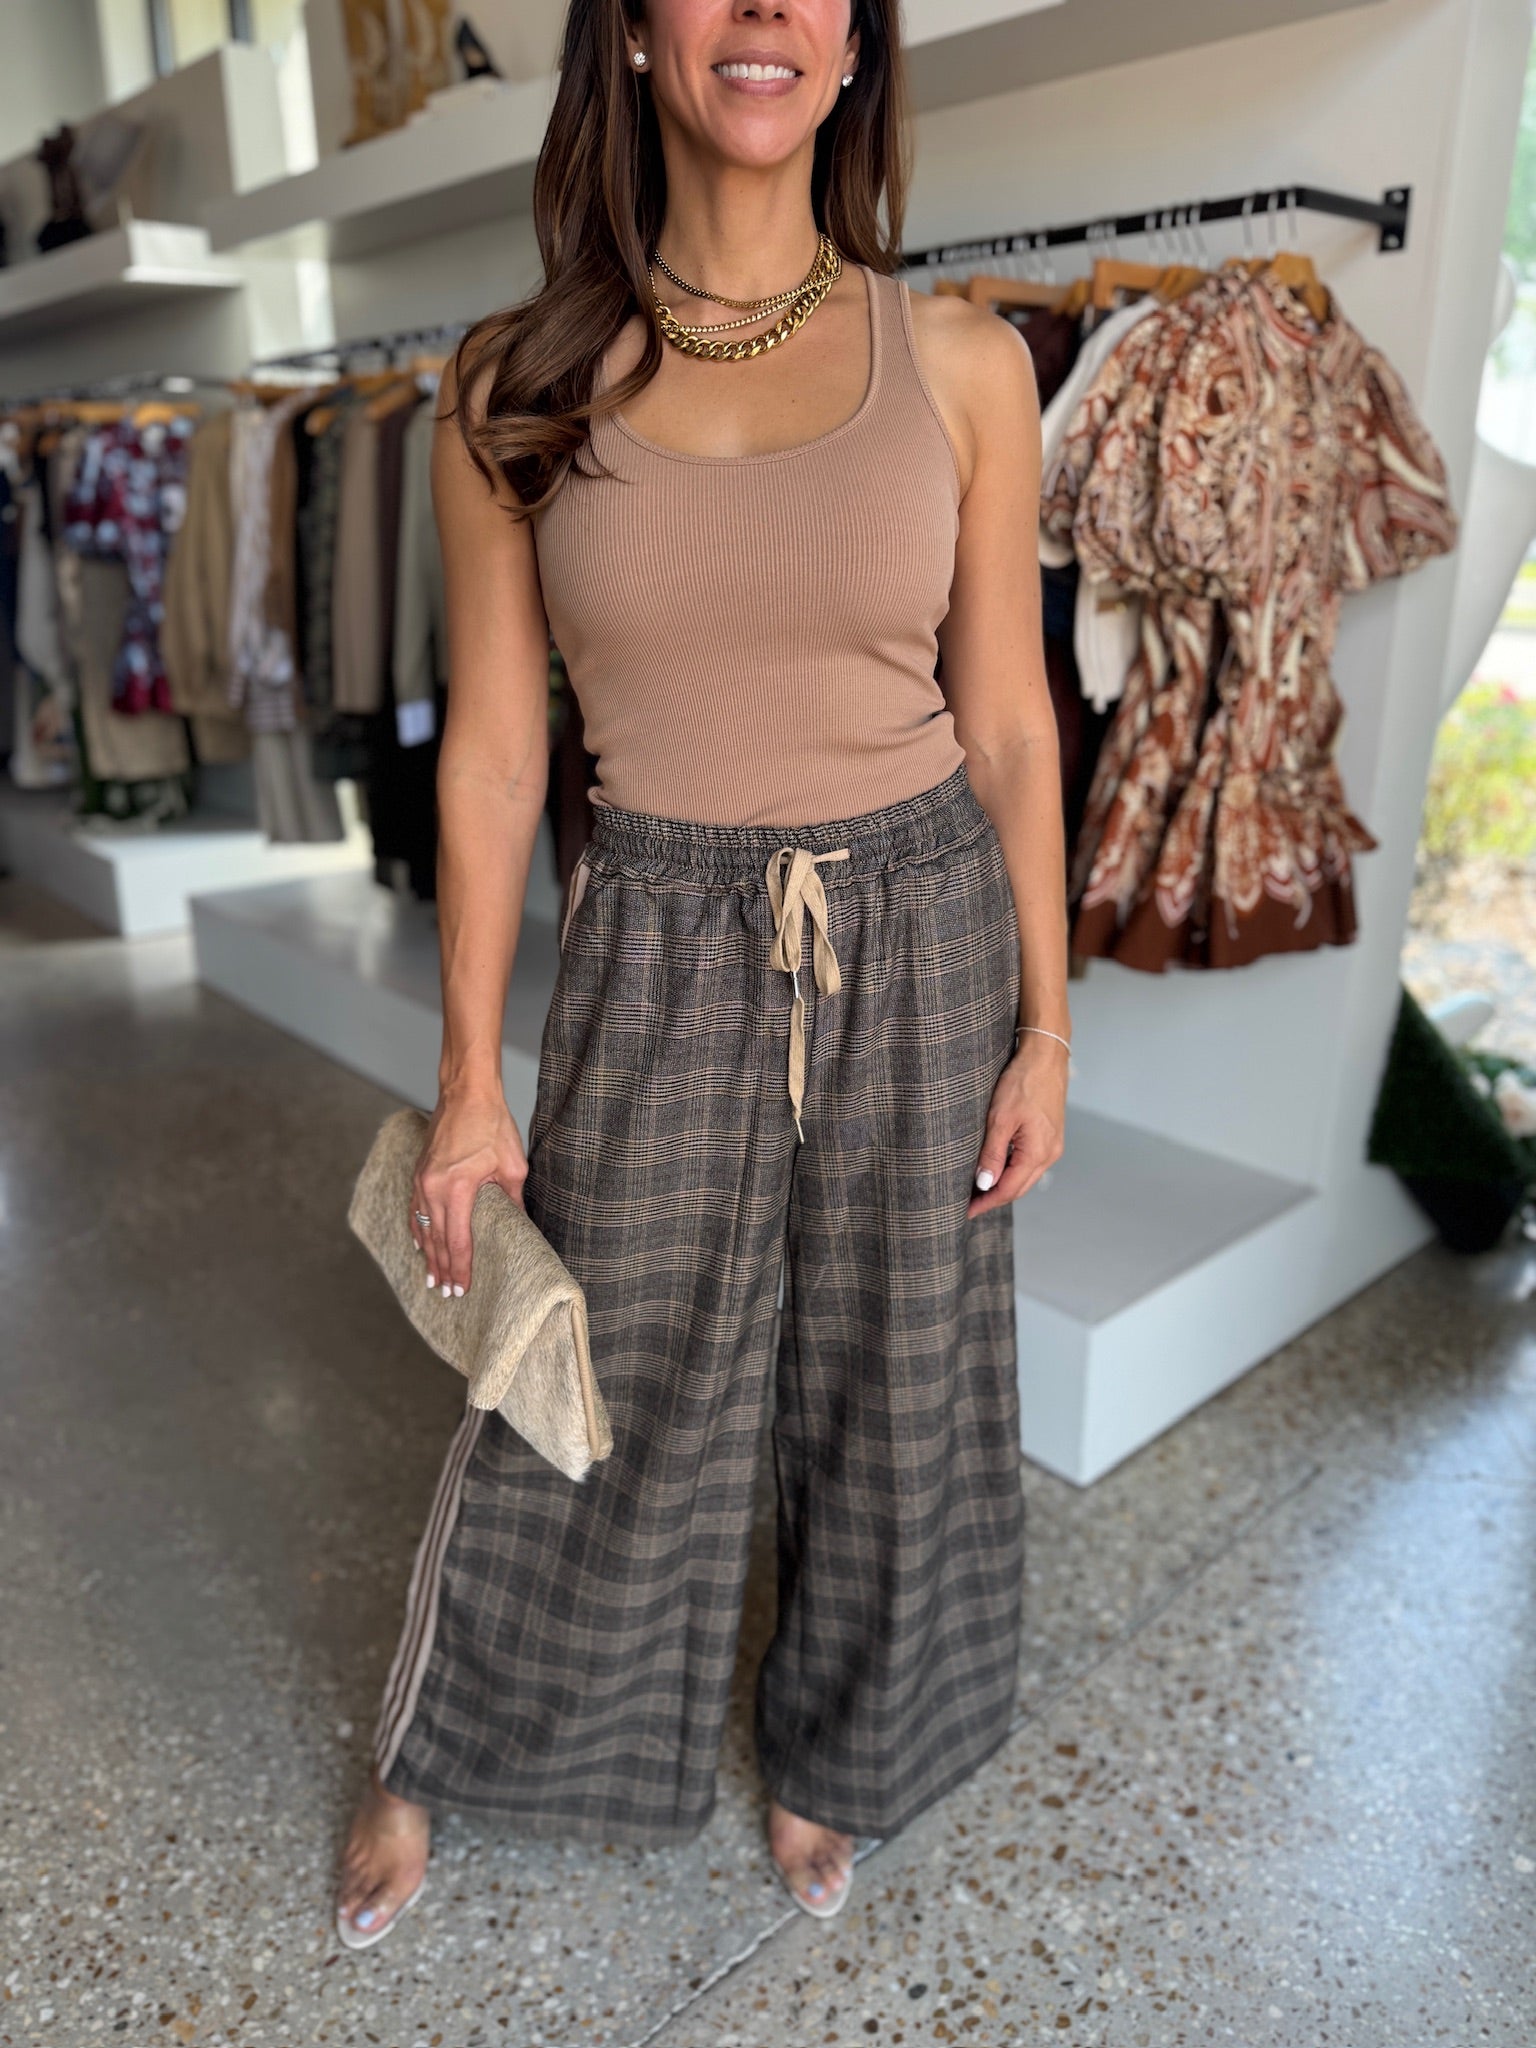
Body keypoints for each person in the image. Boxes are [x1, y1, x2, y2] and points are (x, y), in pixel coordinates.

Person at [334, 0, 1069, 1947]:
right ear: (640, 40)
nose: (765, 11)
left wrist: (1049, 1024)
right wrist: (470, 1076)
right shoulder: (514, 380)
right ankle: (458, 1733)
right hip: (658, 925)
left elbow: (1011, 722)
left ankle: (847, 1745)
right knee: (597, 1370)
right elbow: (496, 757)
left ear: (855, 47)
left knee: (902, 1370)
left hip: (925, 921)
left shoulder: (967, 362)